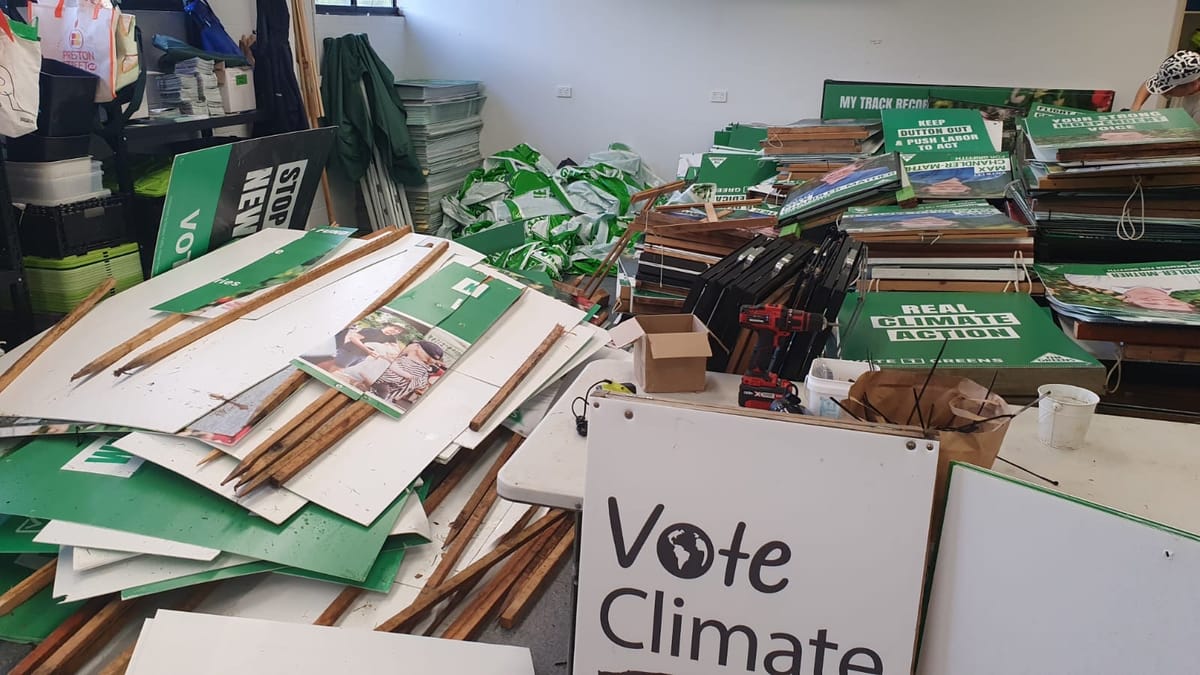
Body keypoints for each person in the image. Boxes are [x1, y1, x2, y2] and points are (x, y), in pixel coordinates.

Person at [370, 341, 446, 407]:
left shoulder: (404, 362)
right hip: (387, 400)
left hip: (375, 395)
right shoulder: (423, 373)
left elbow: (384, 378)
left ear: (417, 347)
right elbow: (420, 386)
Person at [1131, 50, 1200, 121]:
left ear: (1193, 84)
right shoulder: (1185, 81)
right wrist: (1135, 109)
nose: (1164, 93)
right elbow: (1149, 85)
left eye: (1169, 90)